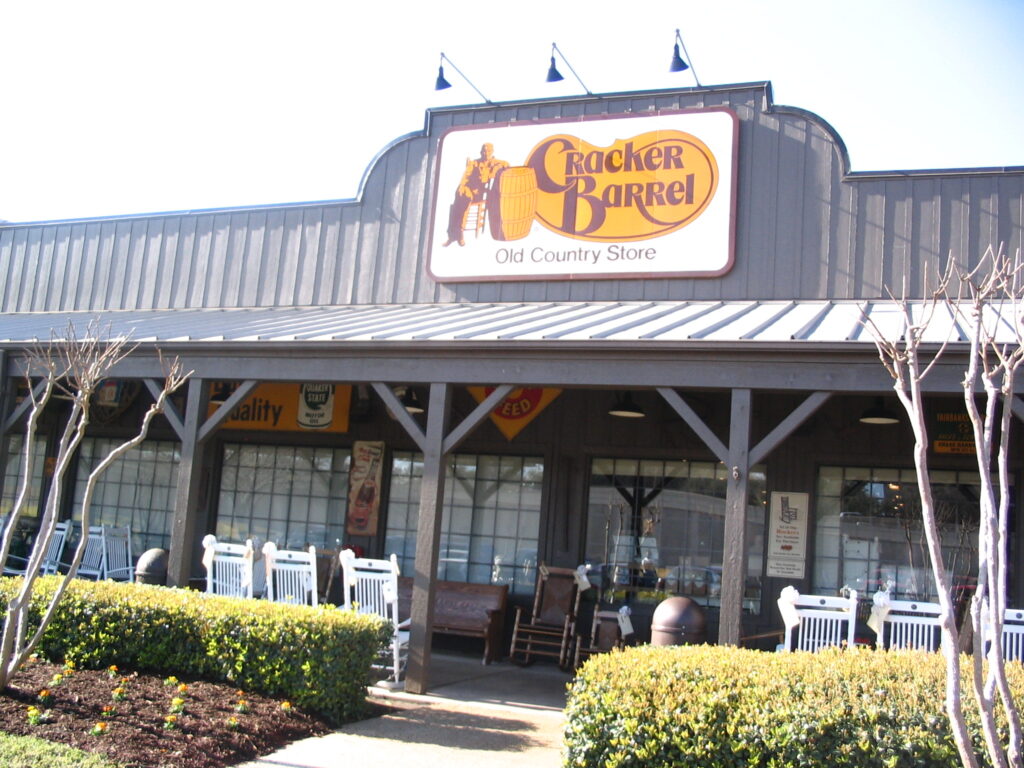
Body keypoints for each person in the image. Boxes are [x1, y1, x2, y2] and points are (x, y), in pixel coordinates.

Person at [443, 142, 508, 246]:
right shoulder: (474, 163)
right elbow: (466, 176)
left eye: (487, 151)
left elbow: (506, 164)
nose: (485, 153)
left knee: (461, 204)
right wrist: (462, 186)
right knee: (459, 201)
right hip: (469, 191)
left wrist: (496, 168)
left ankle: (457, 234)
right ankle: (455, 235)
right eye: (483, 151)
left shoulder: (496, 163)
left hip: (481, 194)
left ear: (492, 152)